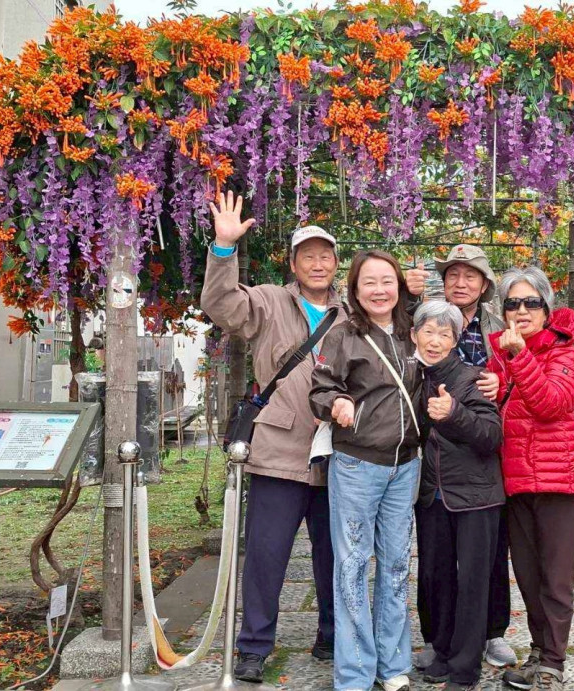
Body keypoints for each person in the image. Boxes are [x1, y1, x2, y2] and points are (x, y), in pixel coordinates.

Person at [200, 191, 346, 683]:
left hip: (338, 453)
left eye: (325, 256)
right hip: (280, 448)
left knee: (335, 555)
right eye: (308, 256)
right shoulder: (267, 300)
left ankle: (332, 636)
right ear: (293, 263)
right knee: (266, 556)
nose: (318, 264)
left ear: (336, 263)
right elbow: (221, 304)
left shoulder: (350, 312)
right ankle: (254, 646)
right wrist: (224, 248)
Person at [310, 250, 421, 691]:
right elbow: (321, 388)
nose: (379, 290)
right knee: (353, 566)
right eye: (369, 282)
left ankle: (392, 665)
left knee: (396, 566)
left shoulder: (414, 333)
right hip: (357, 464)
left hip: (405, 465)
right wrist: (337, 402)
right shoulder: (343, 336)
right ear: (354, 290)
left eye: (387, 281)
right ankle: (355, 673)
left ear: (400, 286)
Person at [406, 244, 516, 669]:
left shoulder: (498, 325)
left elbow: (517, 374)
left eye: (471, 275)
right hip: (435, 459)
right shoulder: (426, 318)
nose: (461, 282)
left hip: (481, 451)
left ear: (485, 285)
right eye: (453, 274)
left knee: (486, 557)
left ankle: (490, 633)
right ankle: (440, 638)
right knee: (435, 562)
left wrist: (501, 382)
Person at [484, 266, 574, 691]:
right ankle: (538, 652)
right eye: (513, 303)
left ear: (547, 310)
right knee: (529, 578)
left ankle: (553, 664)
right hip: (516, 481)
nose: (522, 310)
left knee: (556, 579)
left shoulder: (564, 353)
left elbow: (552, 404)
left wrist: (519, 357)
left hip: (557, 481)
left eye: (532, 302)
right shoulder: (500, 356)